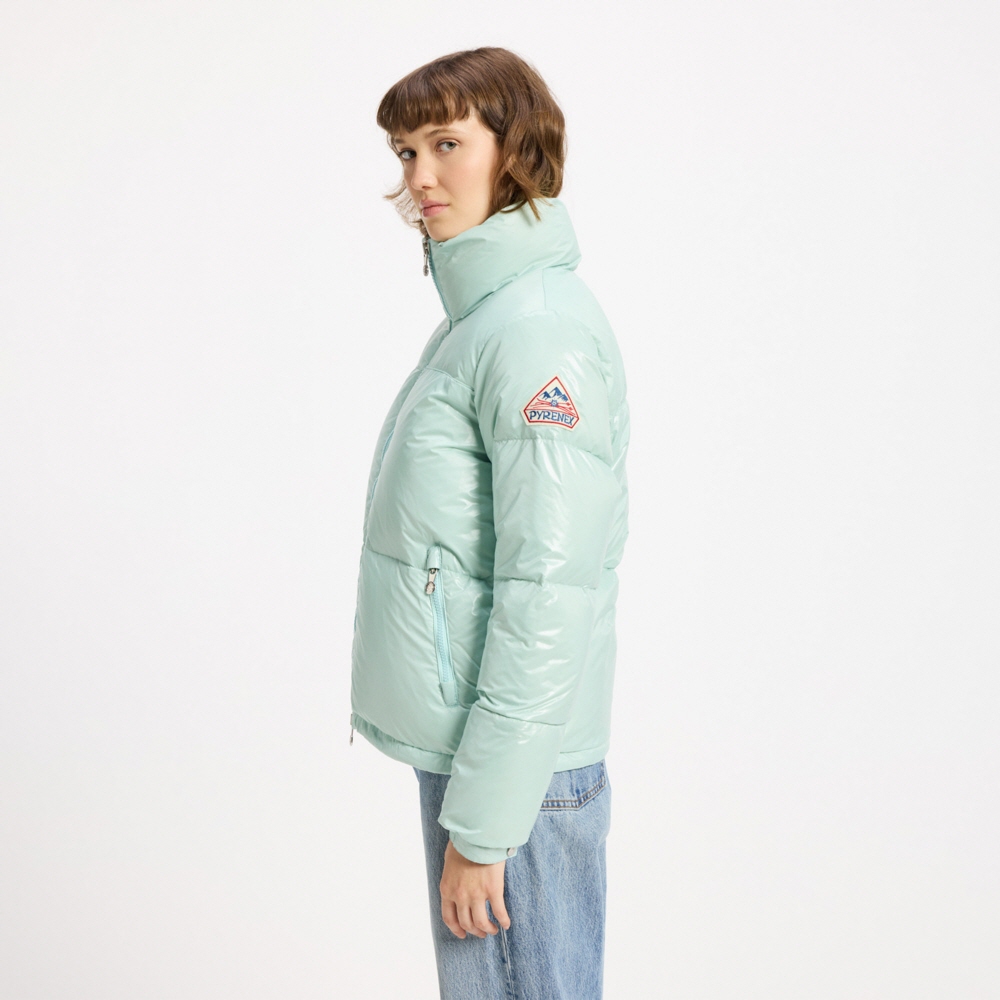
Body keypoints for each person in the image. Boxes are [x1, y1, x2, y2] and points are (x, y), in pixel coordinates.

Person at [348, 46, 630, 999]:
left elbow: (549, 593)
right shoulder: (485, 321)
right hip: (490, 760)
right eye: (405, 151)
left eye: (445, 143)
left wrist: (486, 826)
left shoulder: (531, 331)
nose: (418, 177)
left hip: (515, 777)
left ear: (516, 150)